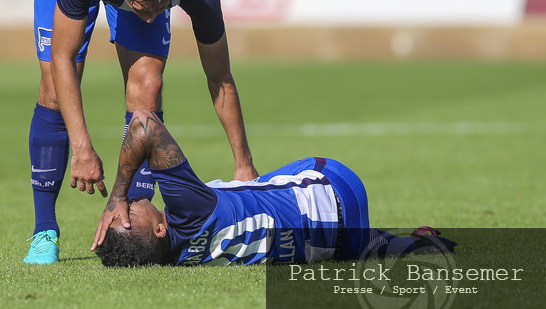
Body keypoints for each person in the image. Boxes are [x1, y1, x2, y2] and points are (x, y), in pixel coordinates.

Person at [24, 0, 258, 264]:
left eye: (159, 9)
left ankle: (132, 215)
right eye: (140, 8)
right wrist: (82, 149)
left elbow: (220, 77)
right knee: (53, 84)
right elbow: (63, 58)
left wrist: (243, 163)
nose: (150, 18)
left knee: (148, 84)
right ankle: (44, 230)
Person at [92, 110, 456, 266]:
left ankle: (413, 244)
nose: (137, 201)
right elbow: (143, 123)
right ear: (159, 228)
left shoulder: (180, 258)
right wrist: (118, 196)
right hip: (337, 184)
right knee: (257, 186)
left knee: (280, 218)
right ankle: (407, 242)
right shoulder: (188, 211)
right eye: (134, 210)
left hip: (337, 245)